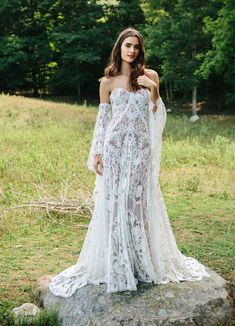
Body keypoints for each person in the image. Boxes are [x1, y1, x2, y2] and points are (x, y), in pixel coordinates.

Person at [48, 27, 210, 297]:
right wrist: (97, 153)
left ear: (140, 50)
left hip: (140, 151)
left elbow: (158, 120)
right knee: (115, 204)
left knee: (137, 204)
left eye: (136, 46)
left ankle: (140, 264)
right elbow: (102, 123)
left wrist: (155, 93)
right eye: (127, 45)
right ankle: (117, 265)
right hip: (115, 150)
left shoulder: (150, 77)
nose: (132, 50)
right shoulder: (107, 82)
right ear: (119, 48)